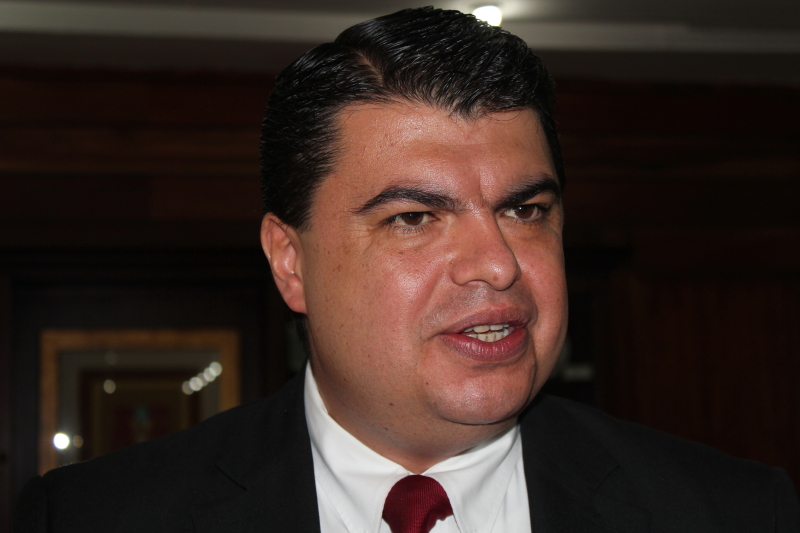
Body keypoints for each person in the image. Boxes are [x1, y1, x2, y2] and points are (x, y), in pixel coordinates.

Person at [14, 7, 800, 533]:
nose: (498, 264)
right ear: (290, 261)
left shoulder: (734, 513)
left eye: (525, 209)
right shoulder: (96, 517)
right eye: (415, 217)